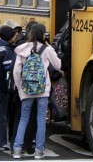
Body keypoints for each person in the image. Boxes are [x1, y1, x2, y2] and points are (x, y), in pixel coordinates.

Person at [12, 23, 62, 159]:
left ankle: (17, 149)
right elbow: (58, 65)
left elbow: (16, 71)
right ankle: (39, 151)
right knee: (41, 120)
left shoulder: (21, 49)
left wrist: (20, 88)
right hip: (42, 90)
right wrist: (50, 47)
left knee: (23, 119)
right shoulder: (47, 49)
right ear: (43, 34)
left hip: (26, 89)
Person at [9, 21, 39, 156]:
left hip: (19, 87)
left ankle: (15, 144)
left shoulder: (19, 46)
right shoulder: (40, 48)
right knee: (30, 117)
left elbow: (15, 70)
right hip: (32, 88)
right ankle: (27, 145)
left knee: (19, 117)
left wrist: (18, 86)